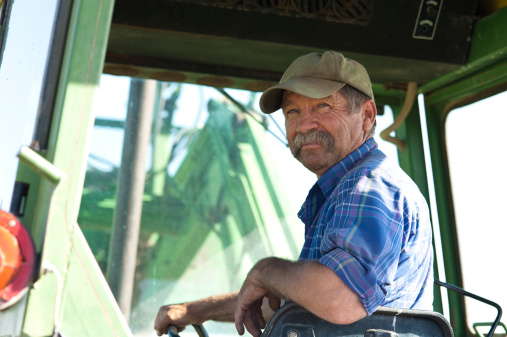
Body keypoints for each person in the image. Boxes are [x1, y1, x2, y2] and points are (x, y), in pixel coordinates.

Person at [154, 51, 434, 337]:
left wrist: (265, 271)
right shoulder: (342, 191)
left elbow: (342, 300)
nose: (303, 125)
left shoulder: (368, 186)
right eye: (293, 112)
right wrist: (195, 312)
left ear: (366, 116)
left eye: (324, 106)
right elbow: (300, 303)